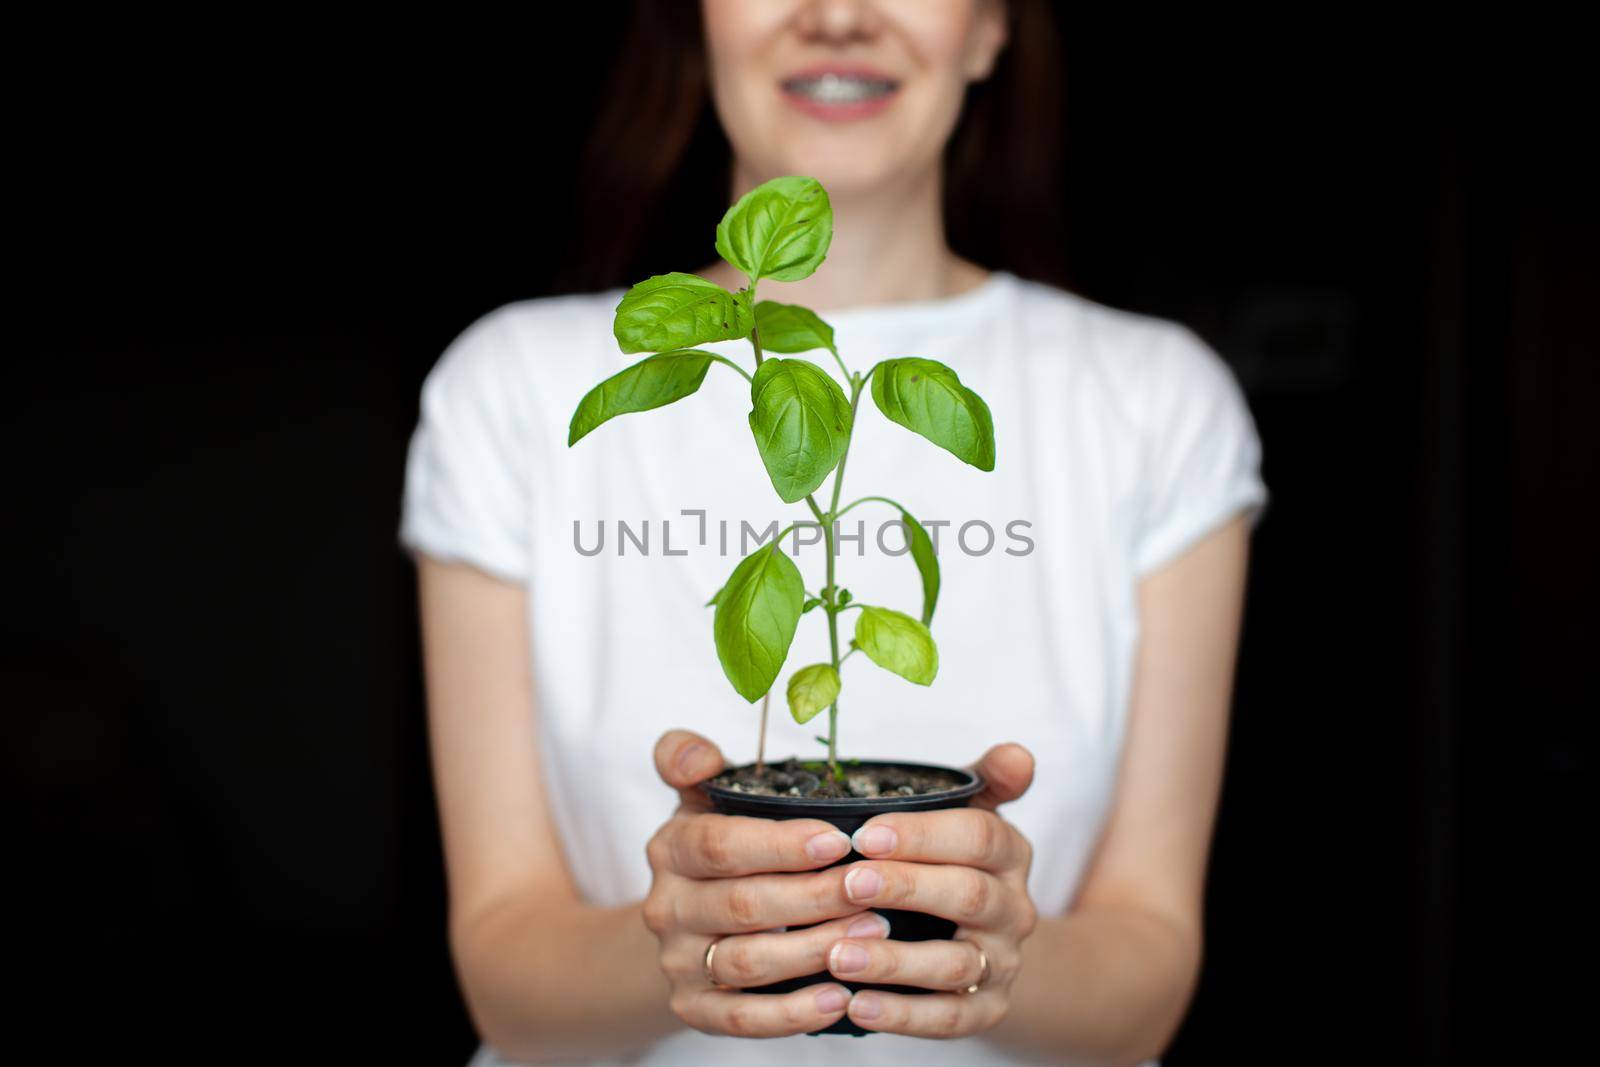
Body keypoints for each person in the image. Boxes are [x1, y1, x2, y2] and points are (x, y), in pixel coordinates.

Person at [399, 2, 1268, 1065]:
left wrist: (989, 944)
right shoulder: (512, 387)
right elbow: (505, 976)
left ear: (989, 28)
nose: (841, 15)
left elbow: (1145, 983)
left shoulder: (1152, 399)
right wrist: (683, 937)